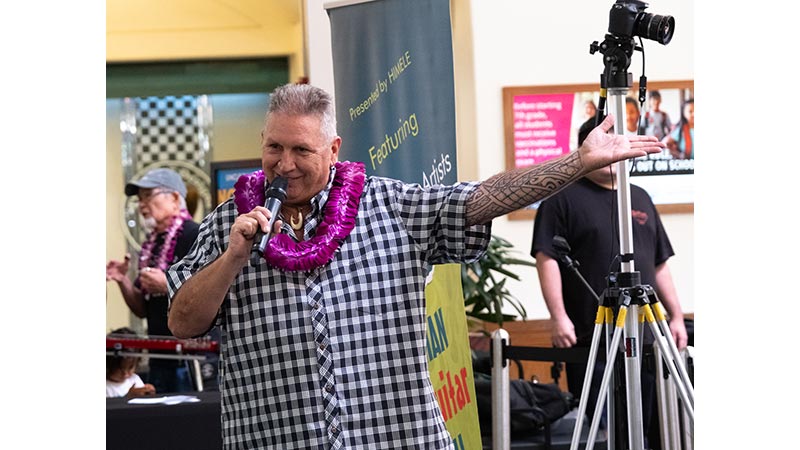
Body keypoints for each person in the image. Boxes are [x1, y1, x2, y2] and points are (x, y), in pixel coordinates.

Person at [166, 83, 664, 449]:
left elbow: (484, 197)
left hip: (398, 437)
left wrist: (575, 164)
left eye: (302, 150)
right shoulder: (226, 224)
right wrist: (233, 257)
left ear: (334, 150)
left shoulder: (391, 207)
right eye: (274, 147)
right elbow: (182, 322)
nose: (285, 163)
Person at [530, 117, 688, 449]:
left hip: (646, 335)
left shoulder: (640, 198)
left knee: (644, 427)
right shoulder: (560, 200)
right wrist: (559, 317)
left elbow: (659, 264)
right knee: (601, 431)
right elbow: (547, 259)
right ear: (584, 149)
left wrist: (675, 316)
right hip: (592, 336)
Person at [106, 168, 200, 394]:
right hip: (158, 355)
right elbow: (142, 309)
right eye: (139, 199)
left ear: (175, 198)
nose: (141, 204)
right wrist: (123, 281)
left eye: (149, 195)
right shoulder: (151, 245)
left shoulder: (195, 234)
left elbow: (211, 293)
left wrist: (167, 284)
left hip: (190, 359)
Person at [106, 327, 157, 398]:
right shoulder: (107, 387)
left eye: (130, 367)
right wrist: (128, 397)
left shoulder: (134, 379)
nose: (126, 374)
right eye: (121, 368)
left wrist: (147, 393)